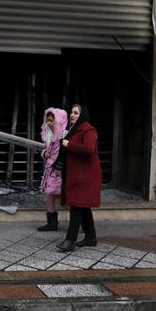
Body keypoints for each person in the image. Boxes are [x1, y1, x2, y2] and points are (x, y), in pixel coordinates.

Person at [56, 104, 102, 252]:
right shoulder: (74, 130)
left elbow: (89, 149)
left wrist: (69, 144)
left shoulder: (88, 130)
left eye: (76, 113)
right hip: (77, 176)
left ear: (82, 115)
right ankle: (91, 237)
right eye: (71, 113)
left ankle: (70, 240)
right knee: (83, 207)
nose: (72, 115)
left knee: (76, 207)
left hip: (85, 177)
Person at [37, 108, 68, 232]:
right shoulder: (48, 134)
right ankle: (52, 223)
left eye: (52, 121)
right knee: (50, 196)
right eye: (48, 120)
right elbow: (46, 150)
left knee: (64, 199)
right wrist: (44, 154)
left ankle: (82, 220)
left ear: (59, 121)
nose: (49, 123)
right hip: (50, 170)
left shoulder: (64, 135)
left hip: (60, 170)